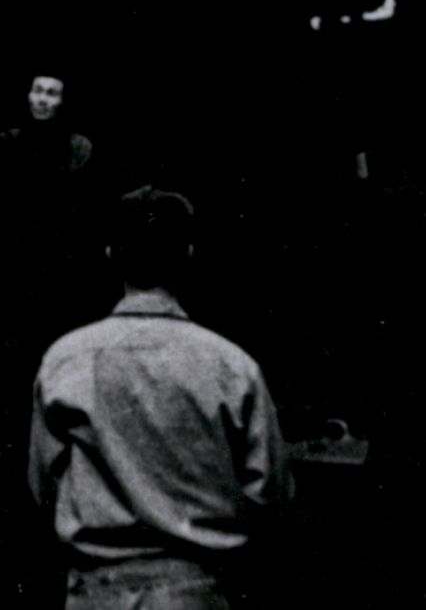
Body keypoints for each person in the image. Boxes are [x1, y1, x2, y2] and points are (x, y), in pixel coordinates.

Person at [28, 188, 286, 610]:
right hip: (197, 590)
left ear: (111, 253)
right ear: (188, 253)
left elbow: (44, 486)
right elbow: (269, 495)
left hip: (98, 592)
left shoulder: (65, 360)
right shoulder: (232, 366)